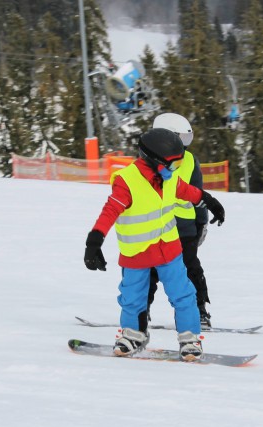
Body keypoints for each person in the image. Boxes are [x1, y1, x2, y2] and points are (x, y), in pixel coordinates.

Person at [83, 128, 226, 361]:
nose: (176, 169)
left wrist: (210, 202)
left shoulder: (168, 178)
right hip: (136, 253)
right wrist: (94, 243)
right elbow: (109, 212)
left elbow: (187, 191)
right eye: (174, 164)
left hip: (168, 250)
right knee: (132, 297)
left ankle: (190, 338)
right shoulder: (127, 182)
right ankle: (133, 335)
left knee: (183, 294)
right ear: (155, 161)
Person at [147, 113, 213, 328]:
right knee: (149, 270)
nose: (182, 147)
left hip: (184, 229)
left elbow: (198, 192)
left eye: (185, 140)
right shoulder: (146, 161)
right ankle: (140, 309)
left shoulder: (190, 161)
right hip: (155, 228)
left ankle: (199, 310)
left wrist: (202, 222)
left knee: (190, 268)